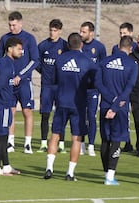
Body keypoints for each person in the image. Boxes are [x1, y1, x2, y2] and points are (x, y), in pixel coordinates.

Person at [43, 32, 97, 181]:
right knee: (76, 138)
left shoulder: (60, 60)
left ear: (68, 44)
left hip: (61, 102)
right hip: (78, 105)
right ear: (81, 44)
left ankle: (49, 168)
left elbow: (54, 80)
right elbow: (93, 83)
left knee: (55, 135)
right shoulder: (87, 62)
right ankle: (70, 173)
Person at [97, 35, 138, 185]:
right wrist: (116, 104)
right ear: (131, 48)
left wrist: (109, 99)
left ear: (118, 46)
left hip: (105, 105)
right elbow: (129, 88)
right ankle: (110, 176)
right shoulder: (132, 64)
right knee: (116, 139)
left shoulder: (105, 62)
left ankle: (106, 172)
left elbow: (98, 83)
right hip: (119, 107)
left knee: (105, 139)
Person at [0, 11, 40, 154]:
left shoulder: (29, 38)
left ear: (20, 23)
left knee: (27, 110)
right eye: (10, 25)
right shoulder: (5, 39)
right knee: (11, 111)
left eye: (14, 25)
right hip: (9, 83)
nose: (12, 28)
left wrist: (21, 75)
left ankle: (27, 143)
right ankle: (10, 142)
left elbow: (35, 60)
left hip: (24, 81)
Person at [0, 37, 22, 176]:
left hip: (2, 103)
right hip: (2, 104)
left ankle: (6, 166)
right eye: (18, 49)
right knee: (1, 137)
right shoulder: (6, 65)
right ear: (10, 49)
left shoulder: (5, 63)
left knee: (5, 135)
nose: (21, 52)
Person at [37, 19, 68, 153]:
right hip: (47, 86)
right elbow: (37, 62)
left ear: (60, 31)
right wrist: (44, 72)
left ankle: (61, 143)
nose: (52, 33)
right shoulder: (43, 45)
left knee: (61, 114)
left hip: (61, 86)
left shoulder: (65, 46)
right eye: (51, 30)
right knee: (45, 114)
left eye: (55, 31)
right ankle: (43, 142)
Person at [79, 21, 107, 156]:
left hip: (93, 89)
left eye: (84, 32)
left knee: (91, 116)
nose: (81, 34)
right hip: (80, 88)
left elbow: (103, 68)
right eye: (80, 31)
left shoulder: (99, 48)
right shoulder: (78, 46)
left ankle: (91, 145)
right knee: (80, 116)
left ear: (91, 33)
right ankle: (81, 144)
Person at [111, 22, 137, 153]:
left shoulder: (137, 48)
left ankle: (137, 142)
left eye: (125, 33)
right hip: (122, 87)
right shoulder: (116, 48)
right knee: (122, 113)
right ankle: (125, 141)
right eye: (120, 33)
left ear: (131, 33)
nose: (122, 35)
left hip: (134, 86)